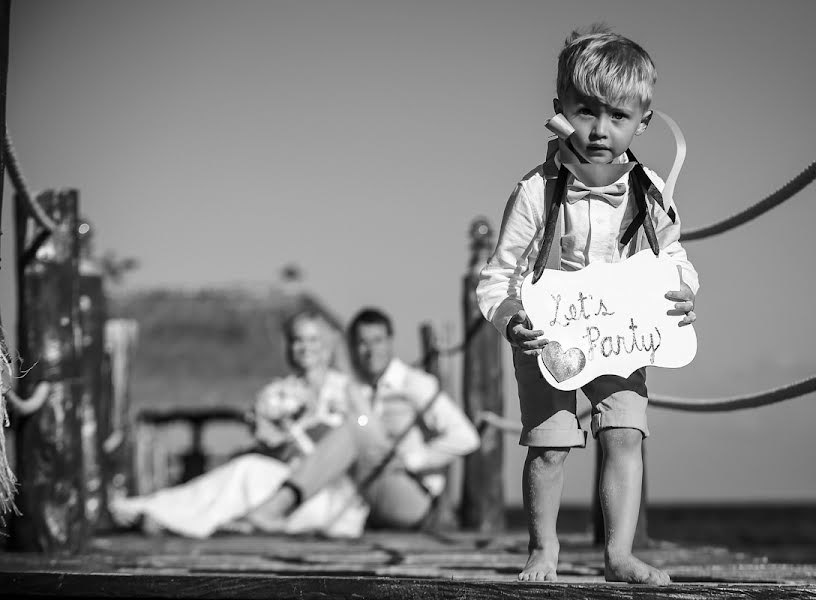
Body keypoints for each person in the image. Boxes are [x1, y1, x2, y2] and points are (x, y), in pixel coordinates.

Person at [476, 25, 699, 584]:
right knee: (551, 445)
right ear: (560, 109)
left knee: (625, 434)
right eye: (586, 111)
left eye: (618, 116)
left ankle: (619, 554)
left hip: (621, 335)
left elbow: (673, 256)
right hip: (547, 335)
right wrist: (512, 322)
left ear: (643, 122)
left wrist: (684, 292)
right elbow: (498, 276)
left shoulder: (650, 192)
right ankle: (543, 549)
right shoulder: (535, 191)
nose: (600, 129)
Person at [110, 310, 370, 539]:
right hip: (281, 482)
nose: (305, 347)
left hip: (329, 495)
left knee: (245, 473)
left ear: (327, 344)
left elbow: (367, 434)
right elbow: (266, 440)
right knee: (246, 473)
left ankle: (158, 512)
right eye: (297, 340)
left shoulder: (349, 390)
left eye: (313, 339)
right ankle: (162, 513)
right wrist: (277, 439)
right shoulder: (276, 394)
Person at [247, 307, 481, 530]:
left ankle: (276, 508)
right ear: (352, 346)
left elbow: (467, 437)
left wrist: (413, 459)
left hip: (410, 494)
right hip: (364, 496)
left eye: (377, 340)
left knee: (355, 429)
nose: (370, 350)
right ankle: (263, 514)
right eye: (362, 343)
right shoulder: (352, 387)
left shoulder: (414, 384)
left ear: (390, 341)